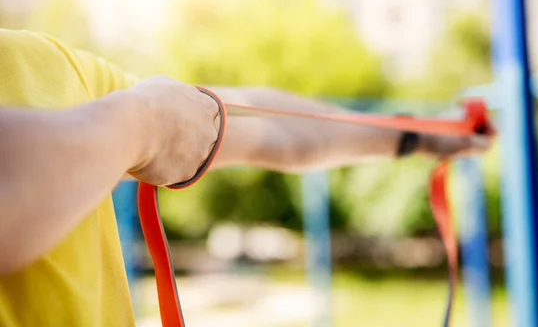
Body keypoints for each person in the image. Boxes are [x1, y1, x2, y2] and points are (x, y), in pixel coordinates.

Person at [0, 28, 492, 326]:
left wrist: (417, 134)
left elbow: (262, 126)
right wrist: (146, 124)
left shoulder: (41, 63)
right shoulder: (116, 109)